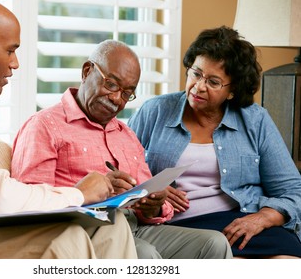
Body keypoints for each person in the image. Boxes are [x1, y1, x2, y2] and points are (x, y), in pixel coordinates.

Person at [0, 0, 137, 259]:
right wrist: (78, 193)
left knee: (110, 224)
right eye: (10, 51)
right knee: (68, 238)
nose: (15, 63)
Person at [11, 39, 233, 259]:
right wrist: (91, 193)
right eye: (111, 84)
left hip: (135, 226)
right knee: (144, 254)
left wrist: (153, 206)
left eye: (127, 93)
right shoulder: (44, 126)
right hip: (85, 231)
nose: (117, 99)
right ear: (87, 71)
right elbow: (29, 204)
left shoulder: (125, 134)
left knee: (214, 243)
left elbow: (150, 199)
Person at [128, 26, 301, 258]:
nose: (199, 86)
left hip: (238, 221)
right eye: (196, 73)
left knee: (288, 260)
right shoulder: (156, 110)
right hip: (173, 226)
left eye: (213, 82)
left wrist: (262, 218)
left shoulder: (255, 119)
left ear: (233, 91)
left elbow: (292, 190)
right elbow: (118, 170)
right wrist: (150, 189)